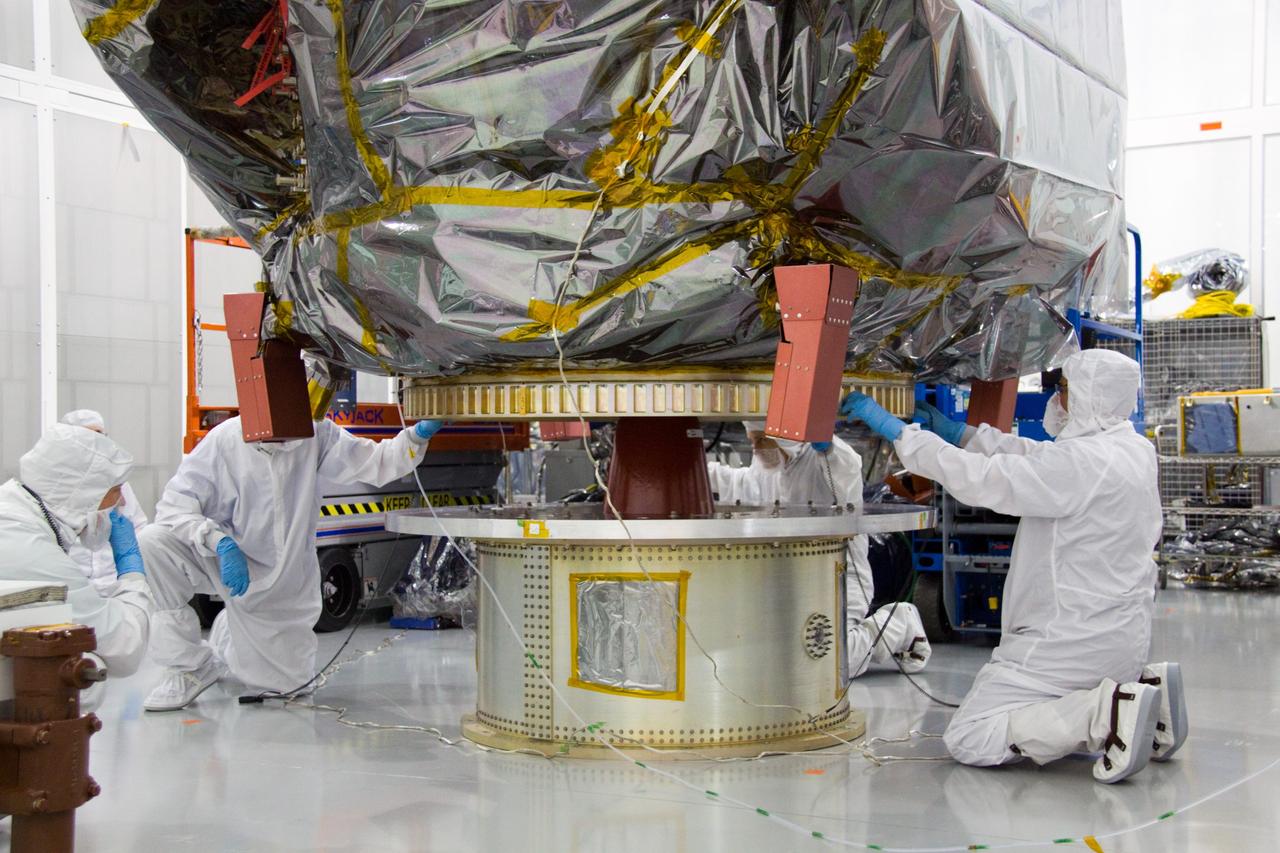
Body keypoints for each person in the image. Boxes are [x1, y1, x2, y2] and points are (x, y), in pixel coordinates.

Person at [841, 349, 1187, 783]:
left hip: (1065, 641)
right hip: (1122, 639)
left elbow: (984, 480)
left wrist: (903, 435)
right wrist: (961, 433)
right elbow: (1031, 457)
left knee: (972, 736)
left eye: (1063, 390)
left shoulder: (1081, 463)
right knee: (1028, 713)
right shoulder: (1131, 449)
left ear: (1089, 398)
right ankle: (1146, 697)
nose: (1055, 400)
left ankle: (1107, 712)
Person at [139, 415, 445, 711]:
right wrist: (217, 541)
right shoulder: (225, 440)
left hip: (282, 583)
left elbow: (376, 462)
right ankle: (189, 668)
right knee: (153, 543)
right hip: (220, 557)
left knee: (281, 692)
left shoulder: (315, 434)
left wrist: (416, 436)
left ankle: (229, 634)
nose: (286, 440)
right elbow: (174, 507)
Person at [707, 422, 931, 678]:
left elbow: (847, 464)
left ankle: (900, 623)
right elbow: (731, 480)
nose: (755, 448)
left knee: (834, 663)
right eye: (752, 440)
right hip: (788, 583)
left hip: (840, 577)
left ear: (782, 437)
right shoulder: (765, 471)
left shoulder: (822, 459)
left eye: (761, 440)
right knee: (775, 659)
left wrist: (825, 442)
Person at [0, 425, 152, 683]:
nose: (122, 503)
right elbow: (124, 648)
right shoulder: (34, 553)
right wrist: (132, 573)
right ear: (84, 494)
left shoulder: (15, 514)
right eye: (116, 491)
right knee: (81, 663)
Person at [60, 410, 149, 596]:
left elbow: (138, 525)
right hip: (71, 587)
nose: (96, 442)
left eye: (100, 435)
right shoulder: (56, 485)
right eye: (88, 436)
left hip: (114, 583)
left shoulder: (117, 482)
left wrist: (131, 565)